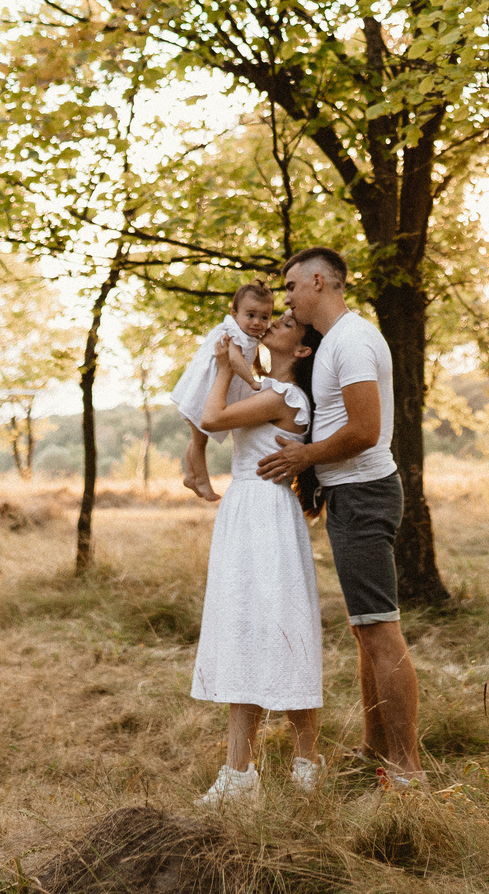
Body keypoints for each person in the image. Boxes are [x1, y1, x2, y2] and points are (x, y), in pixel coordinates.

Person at [255, 246, 423, 783]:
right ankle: (377, 750)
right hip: (351, 495)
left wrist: (303, 456)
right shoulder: (335, 344)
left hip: (365, 493)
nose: (287, 300)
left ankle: (407, 769)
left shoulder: (351, 341)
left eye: (291, 288)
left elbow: (364, 430)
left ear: (319, 281)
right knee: (365, 628)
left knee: (380, 630)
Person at [189, 304, 325, 805]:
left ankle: (270, 769)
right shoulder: (270, 388)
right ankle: (259, 769)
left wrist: (226, 369)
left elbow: (212, 416)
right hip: (251, 511)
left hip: (262, 513)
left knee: (271, 628)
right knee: (250, 628)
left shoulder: (286, 395)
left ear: (304, 348)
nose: (273, 324)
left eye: (287, 324)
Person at [176, 284, 273, 504]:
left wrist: (258, 368)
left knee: (196, 436)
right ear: (234, 314)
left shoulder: (249, 333)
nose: (258, 322)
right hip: (205, 389)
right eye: (251, 315)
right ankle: (201, 480)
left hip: (214, 388)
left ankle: (191, 476)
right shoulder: (231, 331)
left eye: (264, 317)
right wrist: (252, 381)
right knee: (199, 439)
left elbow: (252, 352)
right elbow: (236, 359)